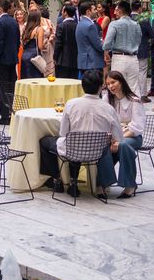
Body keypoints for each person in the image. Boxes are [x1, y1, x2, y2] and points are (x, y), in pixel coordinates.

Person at [39, 69, 123, 201]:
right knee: (77, 143)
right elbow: (118, 136)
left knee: (45, 142)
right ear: (101, 87)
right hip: (98, 152)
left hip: (73, 150)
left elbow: (63, 133)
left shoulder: (71, 104)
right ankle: (92, 182)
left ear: (82, 86)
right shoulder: (109, 109)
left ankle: (57, 180)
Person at [103, 70, 146, 197]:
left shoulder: (134, 101)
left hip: (132, 136)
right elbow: (104, 122)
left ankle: (129, 185)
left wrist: (119, 139)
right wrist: (112, 138)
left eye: (113, 82)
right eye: (108, 84)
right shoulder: (107, 100)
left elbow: (137, 126)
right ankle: (104, 183)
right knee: (102, 146)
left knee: (124, 145)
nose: (111, 86)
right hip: (113, 137)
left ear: (121, 82)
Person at [0, 0, 21, 125]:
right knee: (11, 88)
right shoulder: (13, 21)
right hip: (12, 59)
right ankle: (11, 113)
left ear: (1, 8)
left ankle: (4, 116)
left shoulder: (0, 22)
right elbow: (17, 41)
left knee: (2, 88)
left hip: (2, 60)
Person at [103, 1, 142, 96]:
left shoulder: (114, 24)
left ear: (120, 11)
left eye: (116, 10)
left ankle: (119, 106)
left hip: (119, 58)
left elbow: (107, 43)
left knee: (117, 88)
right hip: (133, 58)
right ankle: (134, 105)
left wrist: (106, 52)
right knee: (134, 88)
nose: (114, 12)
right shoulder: (136, 24)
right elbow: (139, 40)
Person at [131, 0, 153, 101]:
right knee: (142, 72)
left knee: (131, 73)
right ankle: (142, 94)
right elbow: (151, 34)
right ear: (139, 9)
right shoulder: (144, 20)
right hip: (142, 49)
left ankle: (132, 93)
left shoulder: (127, 20)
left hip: (129, 51)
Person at [75, 1, 104, 77]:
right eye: (94, 9)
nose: (96, 11)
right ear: (88, 11)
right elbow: (99, 46)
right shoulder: (90, 25)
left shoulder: (79, 24)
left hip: (83, 62)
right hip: (92, 62)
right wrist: (107, 44)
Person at [54, 3, 79, 79]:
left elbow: (58, 43)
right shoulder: (77, 25)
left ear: (65, 12)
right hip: (75, 59)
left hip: (62, 60)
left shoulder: (61, 26)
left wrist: (55, 57)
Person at [20, 9, 45, 80]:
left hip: (24, 56)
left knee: (26, 79)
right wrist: (46, 42)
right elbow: (40, 46)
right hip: (34, 57)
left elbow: (23, 44)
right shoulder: (39, 29)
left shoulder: (26, 29)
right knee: (36, 79)